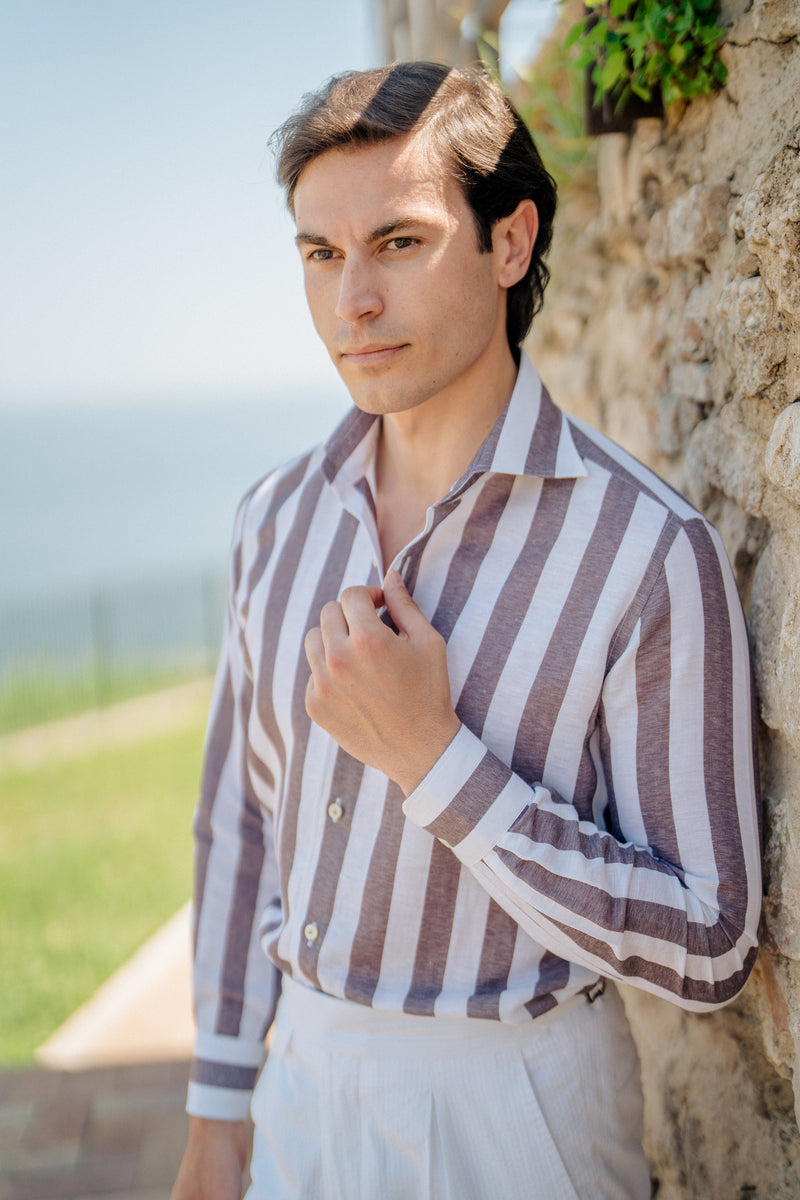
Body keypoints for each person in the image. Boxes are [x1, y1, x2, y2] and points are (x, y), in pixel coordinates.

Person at [171, 61, 761, 1200]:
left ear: (507, 240)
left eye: (398, 241)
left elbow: (710, 945)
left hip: (520, 1110)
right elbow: (239, 822)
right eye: (320, 253)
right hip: (300, 1083)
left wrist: (434, 763)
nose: (351, 303)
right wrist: (216, 1103)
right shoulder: (273, 517)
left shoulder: (644, 550)